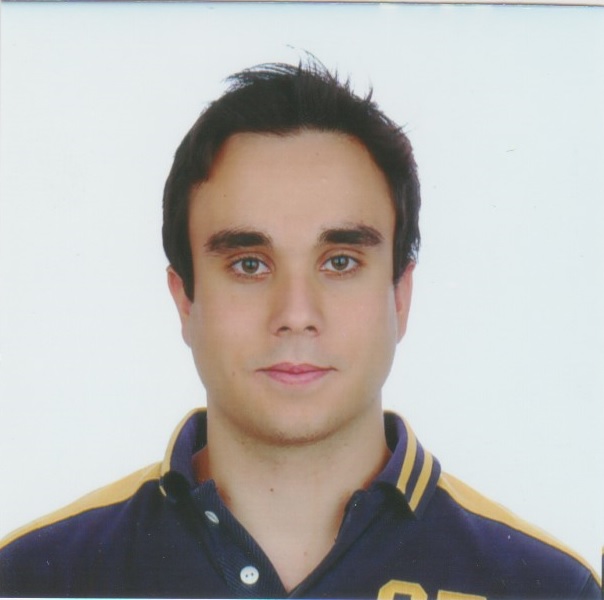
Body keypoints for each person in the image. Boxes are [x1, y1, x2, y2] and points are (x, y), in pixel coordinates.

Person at [0, 60, 600, 599]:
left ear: (401, 295)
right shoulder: (34, 577)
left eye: (339, 262)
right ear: (184, 299)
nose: (295, 312)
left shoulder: (546, 588)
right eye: (249, 264)